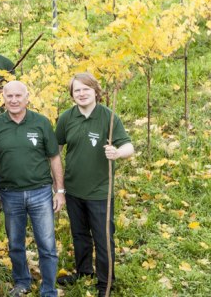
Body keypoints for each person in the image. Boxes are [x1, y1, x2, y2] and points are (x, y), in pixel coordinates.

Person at [55, 73, 134, 297]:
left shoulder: (108, 117)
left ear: (95, 91)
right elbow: (55, 151)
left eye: (85, 89)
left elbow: (129, 146)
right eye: (76, 90)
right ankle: (84, 272)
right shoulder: (66, 118)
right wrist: (57, 185)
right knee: (79, 235)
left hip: (100, 190)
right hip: (73, 189)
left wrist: (117, 152)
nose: (81, 94)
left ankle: (105, 282)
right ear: (72, 95)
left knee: (103, 237)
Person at [0, 81, 63, 297]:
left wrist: (60, 191)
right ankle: (22, 282)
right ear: (4, 99)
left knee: (46, 244)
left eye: (19, 96)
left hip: (41, 192)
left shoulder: (41, 123)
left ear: (27, 98)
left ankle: (49, 289)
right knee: (15, 243)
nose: (14, 100)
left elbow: (54, 157)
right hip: (10, 194)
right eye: (10, 96)